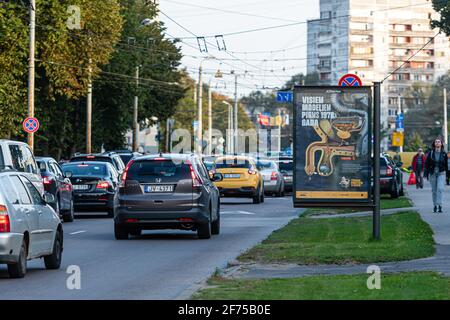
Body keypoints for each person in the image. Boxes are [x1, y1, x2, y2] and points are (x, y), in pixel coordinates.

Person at [424, 138, 449, 213]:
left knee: (440, 189)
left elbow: (446, 165)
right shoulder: (431, 153)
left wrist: (447, 176)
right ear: (434, 144)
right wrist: (426, 174)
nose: (437, 143)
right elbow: (427, 164)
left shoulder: (444, 154)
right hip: (432, 174)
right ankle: (435, 205)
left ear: (441, 144)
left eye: (439, 142)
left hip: (441, 173)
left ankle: (440, 205)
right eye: (436, 142)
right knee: (434, 190)